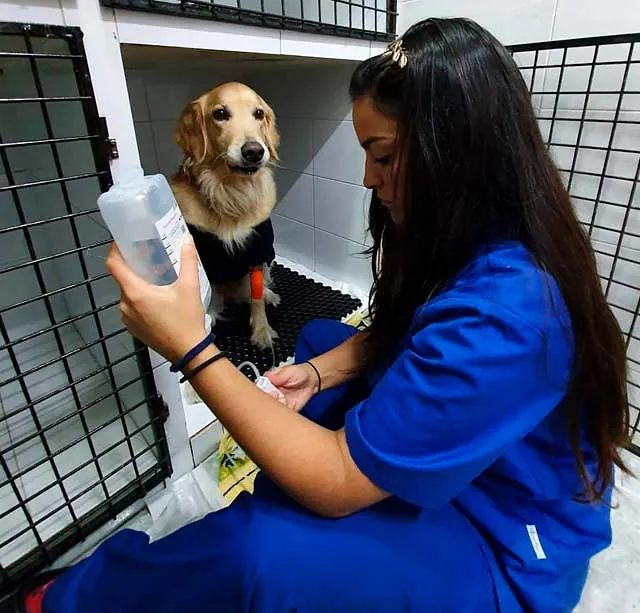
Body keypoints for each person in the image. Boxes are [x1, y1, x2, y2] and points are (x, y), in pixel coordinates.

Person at [24, 17, 629, 613]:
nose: (368, 178)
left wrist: (191, 348)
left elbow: (338, 483)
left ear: (462, 151)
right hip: (468, 470)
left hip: (503, 542)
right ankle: (278, 511)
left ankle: (65, 601)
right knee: (316, 340)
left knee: (258, 552)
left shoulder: (508, 314)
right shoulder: (468, 237)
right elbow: (400, 333)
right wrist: (315, 375)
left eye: (384, 156)